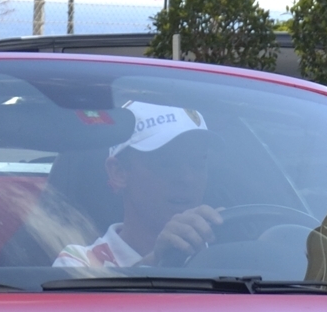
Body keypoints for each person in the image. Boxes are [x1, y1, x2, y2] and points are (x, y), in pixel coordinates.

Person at [56, 101, 221, 268]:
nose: (187, 178)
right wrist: (155, 262)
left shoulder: (224, 252)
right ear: (118, 173)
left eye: (198, 163)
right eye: (166, 164)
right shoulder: (81, 262)